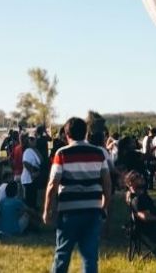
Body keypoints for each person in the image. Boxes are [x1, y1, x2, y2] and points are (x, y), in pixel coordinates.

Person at [44, 117, 112, 273]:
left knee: (62, 254)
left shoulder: (62, 153)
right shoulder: (99, 153)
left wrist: (47, 210)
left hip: (68, 211)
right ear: (86, 133)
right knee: (90, 257)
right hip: (93, 209)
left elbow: (52, 184)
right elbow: (107, 183)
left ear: (67, 135)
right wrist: (104, 205)